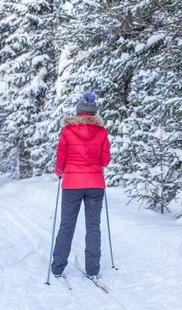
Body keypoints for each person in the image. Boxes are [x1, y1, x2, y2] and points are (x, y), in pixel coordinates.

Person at [51, 91, 111, 279]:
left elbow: (61, 158)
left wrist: (60, 172)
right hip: (95, 185)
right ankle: (93, 270)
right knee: (93, 226)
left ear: (78, 111)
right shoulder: (101, 132)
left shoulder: (67, 131)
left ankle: (58, 268)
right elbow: (105, 161)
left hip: (71, 184)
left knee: (67, 225)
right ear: (94, 112)